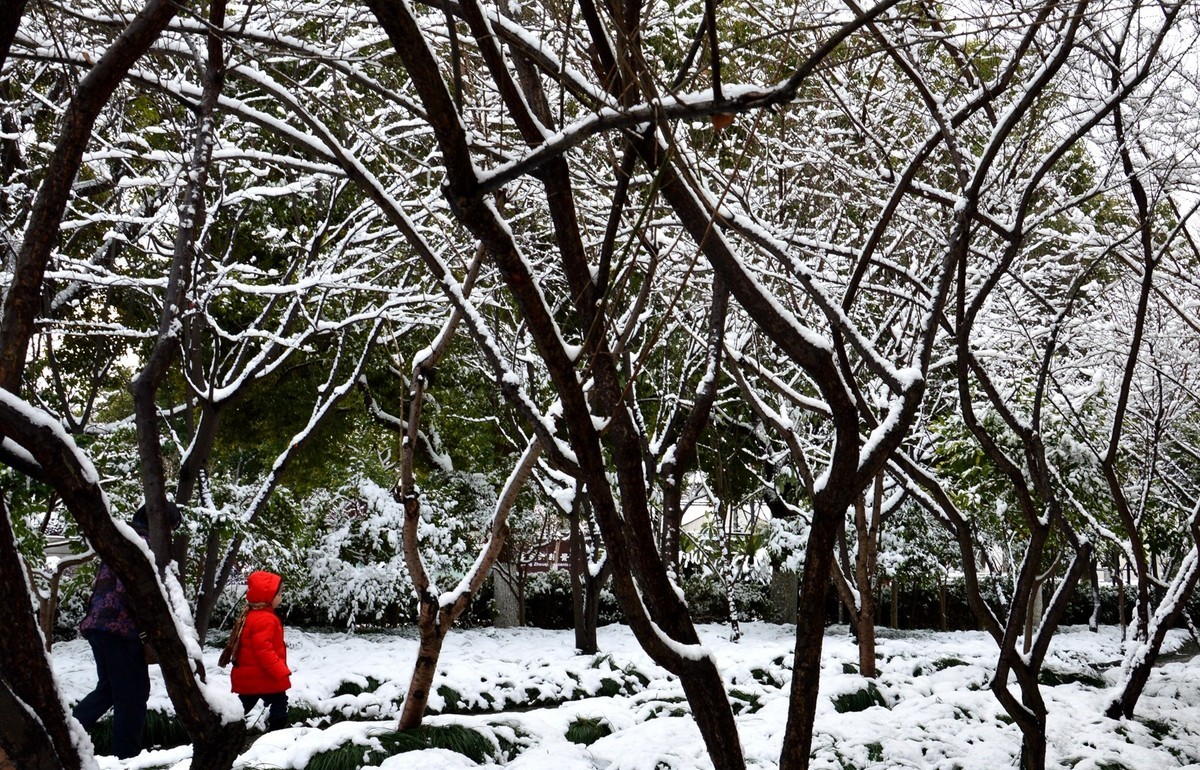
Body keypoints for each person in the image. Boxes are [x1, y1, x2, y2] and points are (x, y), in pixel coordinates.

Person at [73, 501, 181, 759]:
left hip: (99, 626)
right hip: (120, 630)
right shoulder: (142, 546)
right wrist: (156, 625)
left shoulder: (122, 539)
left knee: (109, 690)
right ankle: (126, 759)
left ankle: (59, 734)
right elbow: (134, 592)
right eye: (171, 528)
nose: (170, 535)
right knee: (133, 696)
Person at [230, 570, 292, 732]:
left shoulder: (252, 614)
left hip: (253, 675)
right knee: (279, 702)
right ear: (267, 596)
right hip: (264, 675)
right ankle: (277, 734)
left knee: (245, 704)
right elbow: (263, 650)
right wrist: (280, 670)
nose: (281, 597)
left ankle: (224, 728)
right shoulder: (265, 619)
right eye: (279, 594)